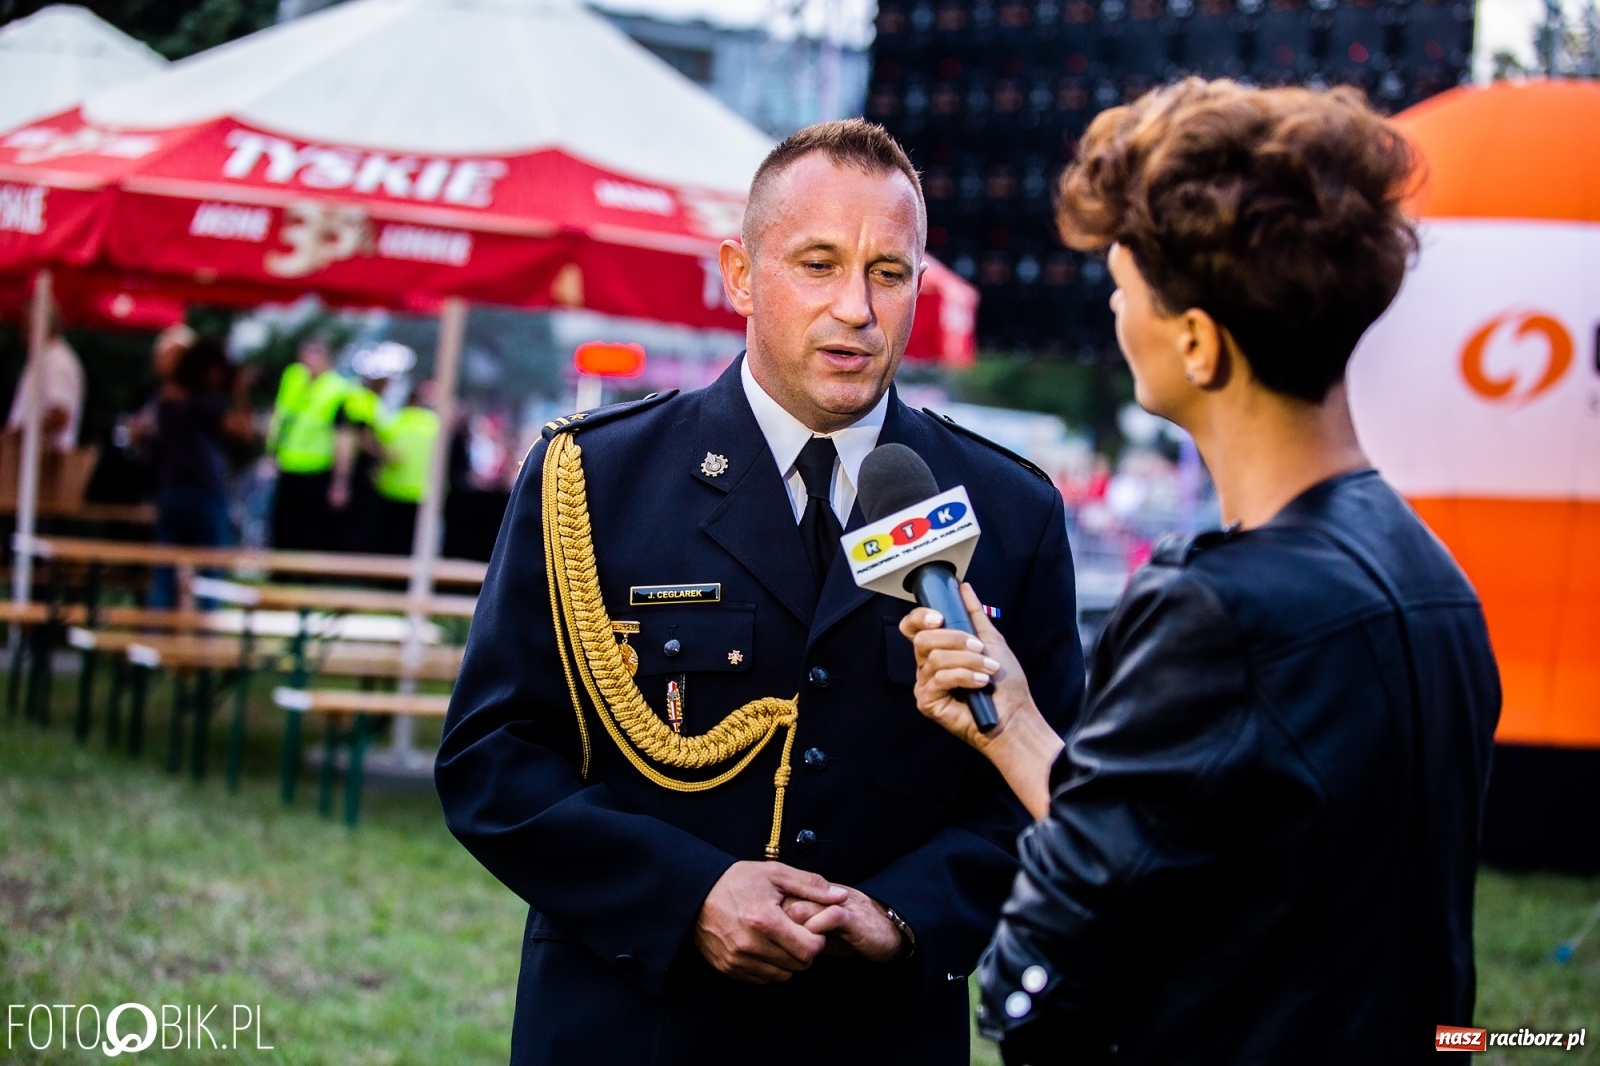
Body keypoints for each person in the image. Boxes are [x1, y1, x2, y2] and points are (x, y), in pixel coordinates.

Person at [436, 119, 1085, 1066]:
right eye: (817, 264)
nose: (856, 308)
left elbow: (1039, 794)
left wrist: (904, 914)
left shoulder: (1009, 510)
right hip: (633, 1024)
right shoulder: (593, 479)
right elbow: (493, 761)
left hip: (874, 1032)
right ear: (740, 275)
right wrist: (686, 894)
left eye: (889, 272)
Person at [899, 79, 1502, 1064]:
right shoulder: (1428, 577)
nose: (1109, 303)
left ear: (1197, 343)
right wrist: (1012, 725)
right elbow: (1221, 852)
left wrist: (1015, 980)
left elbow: (1040, 978)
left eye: (1123, 285)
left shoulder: (1219, 610)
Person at [140, 336, 253, 607]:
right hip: (205, 492)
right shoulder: (207, 402)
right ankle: (205, 643)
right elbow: (245, 431)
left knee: (163, 576)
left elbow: (143, 434)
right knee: (211, 576)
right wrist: (240, 391)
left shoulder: (168, 399)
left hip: (171, 491)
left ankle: (154, 637)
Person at [268, 335, 348, 552]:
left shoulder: (337, 389)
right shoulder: (294, 377)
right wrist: (271, 454)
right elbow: (281, 417)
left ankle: (303, 577)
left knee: (308, 528)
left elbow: (342, 437)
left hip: (317, 467)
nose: (307, 362)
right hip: (288, 463)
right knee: (282, 525)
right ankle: (279, 574)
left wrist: (340, 479)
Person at [369, 378, 439, 555]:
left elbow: (377, 448)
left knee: (390, 541)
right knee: (413, 543)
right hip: (422, 492)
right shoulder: (434, 424)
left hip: (392, 489)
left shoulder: (392, 422)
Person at [7, 305, 84, 451]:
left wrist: (17, 436)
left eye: (26, 322)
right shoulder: (44, 358)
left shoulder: (59, 361)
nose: (21, 329)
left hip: (44, 463)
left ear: (40, 323)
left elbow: (60, 415)